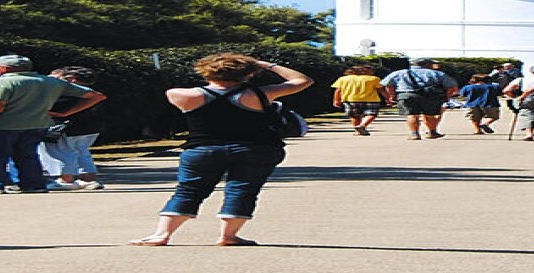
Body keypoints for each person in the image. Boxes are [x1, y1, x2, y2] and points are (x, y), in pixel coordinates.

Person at [132, 54, 312, 247]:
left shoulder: (182, 95)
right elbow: (303, 80)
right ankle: (228, 236)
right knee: (242, 190)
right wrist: (267, 65)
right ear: (248, 73)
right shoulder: (259, 94)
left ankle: (161, 234)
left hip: (202, 149)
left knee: (188, 191)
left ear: (205, 71)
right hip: (256, 148)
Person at [0, 54, 105, 194]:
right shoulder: (50, 82)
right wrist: (66, 112)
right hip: (37, 124)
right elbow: (96, 96)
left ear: (4, 69)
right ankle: (32, 185)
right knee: (27, 155)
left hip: (2, 125)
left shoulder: (1, 82)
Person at [40, 66, 108, 190]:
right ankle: (88, 179)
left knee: (60, 152)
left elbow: (55, 108)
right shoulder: (89, 90)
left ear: (71, 79)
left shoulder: (69, 92)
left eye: (55, 77)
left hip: (67, 127)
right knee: (81, 151)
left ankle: (66, 179)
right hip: (90, 127)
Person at [382, 57, 458, 139]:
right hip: (430, 96)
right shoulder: (437, 73)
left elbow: (388, 84)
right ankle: (432, 132)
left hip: (406, 95)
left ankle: (414, 134)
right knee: (429, 115)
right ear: (427, 64)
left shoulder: (399, 73)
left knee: (412, 115)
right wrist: (447, 97)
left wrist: (392, 95)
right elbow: (451, 86)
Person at [329, 63, 388, 135]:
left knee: (354, 116)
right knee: (372, 114)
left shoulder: (343, 79)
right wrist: (387, 98)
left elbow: (338, 90)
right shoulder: (374, 78)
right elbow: (380, 90)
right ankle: (362, 126)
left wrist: (336, 100)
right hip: (371, 99)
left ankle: (357, 130)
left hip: (350, 99)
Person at [503, 65, 534, 138]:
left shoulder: (522, 79)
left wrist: (515, 97)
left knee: (527, 114)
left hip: (527, 98)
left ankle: (529, 134)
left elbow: (506, 90)